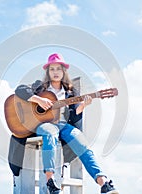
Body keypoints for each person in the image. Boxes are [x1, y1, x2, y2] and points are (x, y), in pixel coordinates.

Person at [14, 53, 119, 194]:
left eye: (59, 69)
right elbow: (20, 90)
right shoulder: (39, 88)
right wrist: (38, 100)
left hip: (64, 126)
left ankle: (103, 183)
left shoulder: (70, 92)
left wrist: (82, 106)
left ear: (64, 71)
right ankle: (50, 181)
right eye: (52, 69)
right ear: (48, 72)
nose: (56, 72)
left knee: (81, 141)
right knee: (50, 133)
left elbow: (75, 116)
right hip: (45, 125)